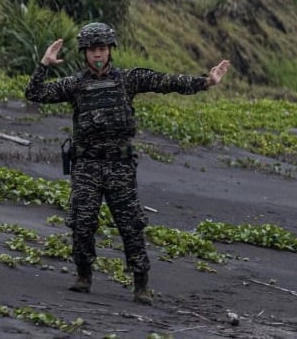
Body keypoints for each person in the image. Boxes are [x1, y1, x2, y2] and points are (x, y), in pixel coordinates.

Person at [25, 21, 230, 305]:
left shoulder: (128, 79)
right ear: (84, 53)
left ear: (110, 50)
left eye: (102, 48)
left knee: (131, 225)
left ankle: (141, 284)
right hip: (86, 165)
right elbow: (35, 94)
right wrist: (44, 65)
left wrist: (206, 82)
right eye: (92, 50)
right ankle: (83, 276)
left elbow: (166, 82)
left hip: (119, 166)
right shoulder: (75, 84)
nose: (98, 54)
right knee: (82, 222)